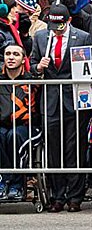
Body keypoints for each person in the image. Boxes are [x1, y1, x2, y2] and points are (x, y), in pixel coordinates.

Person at [30, 4, 92, 212]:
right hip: (50, 100)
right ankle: (57, 195)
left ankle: (75, 196)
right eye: (53, 25)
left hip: (75, 99)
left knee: (74, 148)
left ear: (69, 22)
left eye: (60, 25)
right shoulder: (40, 37)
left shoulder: (82, 37)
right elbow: (31, 64)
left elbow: (90, 67)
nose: (56, 29)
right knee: (54, 149)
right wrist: (38, 67)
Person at [0, 44, 37, 200]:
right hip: (3, 125)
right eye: (8, 54)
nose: (11, 57)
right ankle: (3, 181)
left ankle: (17, 183)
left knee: (14, 136)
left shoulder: (32, 81)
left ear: (23, 60)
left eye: (16, 54)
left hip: (27, 126)